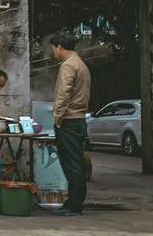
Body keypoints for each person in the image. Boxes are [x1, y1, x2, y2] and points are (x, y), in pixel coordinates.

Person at [50, 32, 91, 216]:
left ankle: (74, 205)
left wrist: (57, 116)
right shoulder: (81, 64)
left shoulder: (68, 65)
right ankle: (74, 202)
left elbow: (63, 93)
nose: (53, 52)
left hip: (69, 120)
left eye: (53, 48)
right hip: (79, 118)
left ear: (59, 47)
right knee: (75, 161)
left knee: (71, 162)